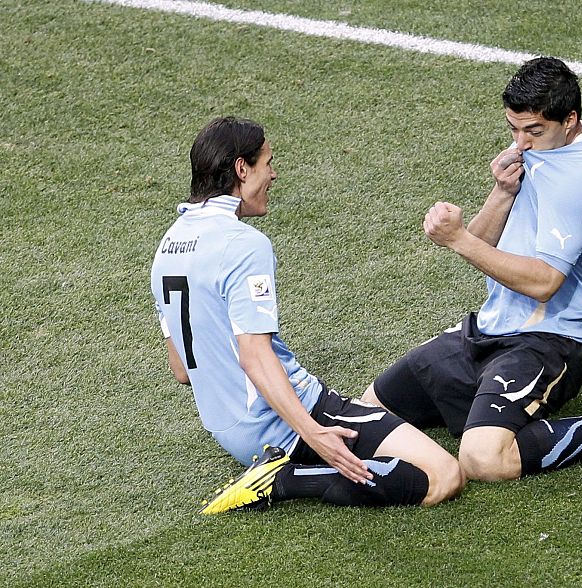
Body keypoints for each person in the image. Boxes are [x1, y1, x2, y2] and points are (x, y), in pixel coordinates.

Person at [362, 57, 582, 481]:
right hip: (486, 330)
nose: (521, 142)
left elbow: (543, 283)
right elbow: (480, 244)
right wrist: (501, 193)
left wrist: (457, 238)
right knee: (369, 409)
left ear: (570, 119)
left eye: (533, 130)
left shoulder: (581, 181)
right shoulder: (537, 155)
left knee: (483, 460)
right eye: (513, 129)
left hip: (547, 343)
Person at [151, 117, 464, 513]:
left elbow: (181, 369)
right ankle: (283, 479)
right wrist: (313, 431)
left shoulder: (167, 247)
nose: (273, 174)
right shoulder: (243, 244)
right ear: (241, 169)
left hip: (232, 433)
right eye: (267, 163)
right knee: (443, 475)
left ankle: (278, 469)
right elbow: (254, 355)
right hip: (286, 421)